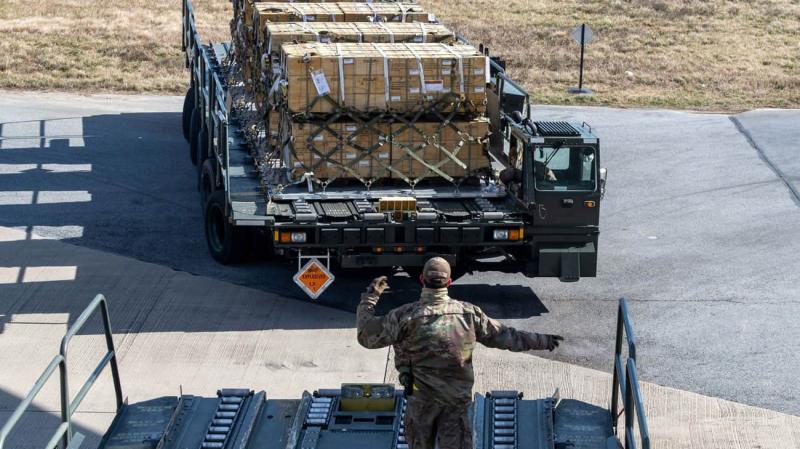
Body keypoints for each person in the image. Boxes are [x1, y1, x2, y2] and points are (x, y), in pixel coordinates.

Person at [356, 257, 563, 449]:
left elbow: (366, 336)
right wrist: (543, 340)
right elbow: (506, 336)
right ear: (449, 282)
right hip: (456, 403)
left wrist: (370, 298)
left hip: (420, 402)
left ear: (422, 280)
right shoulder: (469, 314)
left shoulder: (403, 317)